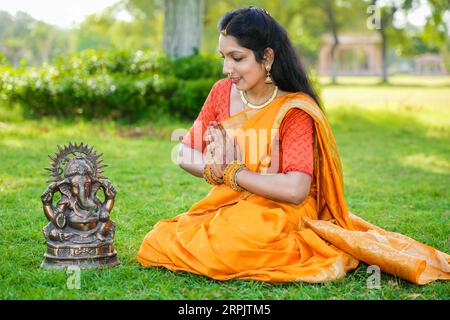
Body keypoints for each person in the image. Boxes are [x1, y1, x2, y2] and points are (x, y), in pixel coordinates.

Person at [136, 6, 449, 284]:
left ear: (267, 57)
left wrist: (233, 172)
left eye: (237, 58)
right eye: (223, 58)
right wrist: (216, 171)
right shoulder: (221, 92)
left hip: (282, 211)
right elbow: (186, 151)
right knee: (159, 239)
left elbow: (296, 188)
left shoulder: (294, 109)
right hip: (228, 202)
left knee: (233, 243)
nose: (226, 69)